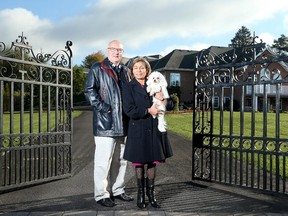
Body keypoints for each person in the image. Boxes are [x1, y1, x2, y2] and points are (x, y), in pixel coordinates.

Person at [84, 40, 133, 207]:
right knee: (103, 162)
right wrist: (103, 107)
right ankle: (102, 194)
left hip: (123, 124)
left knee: (121, 161)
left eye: (120, 50)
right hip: (105, 123)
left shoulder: (126, 70)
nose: (117, 52)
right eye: (114, 49)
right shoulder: (98, 68)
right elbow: (89, 91)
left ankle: (117, 190)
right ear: (108, 50)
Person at [122, 57, 173, 209]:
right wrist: (147, 110)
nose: (139, 70)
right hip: (137, 128)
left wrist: (163, 99)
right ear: (132, 70)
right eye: (136, 68)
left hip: (154, 128)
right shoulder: (128, 87)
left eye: (142, 68)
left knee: (152, 162)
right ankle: (140, 195)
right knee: (139, 163)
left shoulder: (155, 82)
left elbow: (170, 103)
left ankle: (152, 195)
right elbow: (129, 110)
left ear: (147, 70)